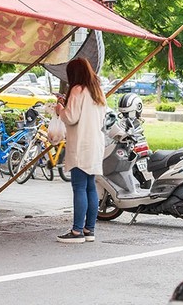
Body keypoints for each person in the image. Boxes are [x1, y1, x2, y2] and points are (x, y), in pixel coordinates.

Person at [55, 58, 106, 243]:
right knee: (90, 187)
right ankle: (89, 229)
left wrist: (60, 108)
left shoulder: (78, 90)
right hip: (94, 145)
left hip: (81, 145)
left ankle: (77, 231)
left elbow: (70, 117)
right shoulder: (97, 92)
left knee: (79, 187)